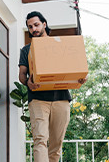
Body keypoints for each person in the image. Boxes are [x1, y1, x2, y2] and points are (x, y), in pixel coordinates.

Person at [18, 11, 87, 162]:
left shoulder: (60, 45)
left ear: (44, 24)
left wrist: (81, 77)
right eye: (30, 27)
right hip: (37, 99)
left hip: (61, 98)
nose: (33, 29)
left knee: (56, 144)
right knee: (40, 139)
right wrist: (27, 82)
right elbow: (22, 74)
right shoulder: (26, 50)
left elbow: (74, 67)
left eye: (36, 25)